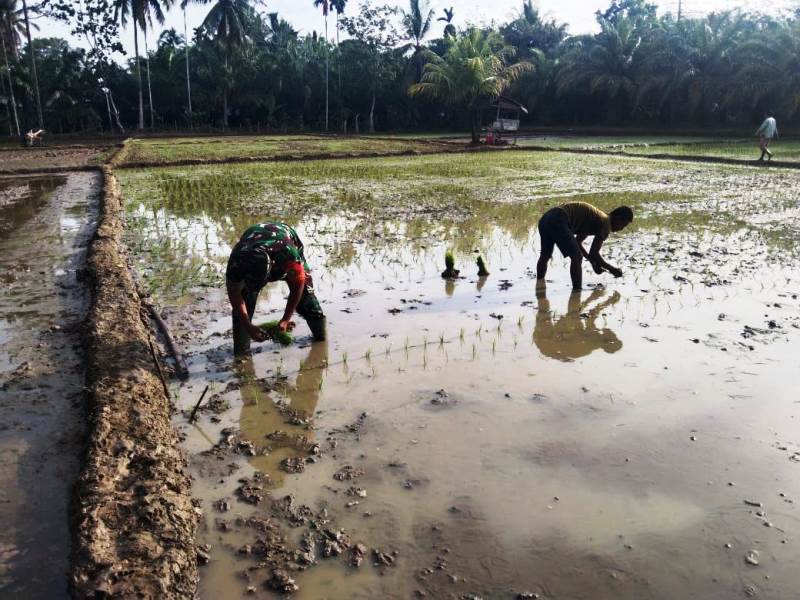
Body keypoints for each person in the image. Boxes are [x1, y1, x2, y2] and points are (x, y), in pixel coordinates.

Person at [226, 222, 326, 354]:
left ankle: (321, 339)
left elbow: (297, 287)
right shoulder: (236, 262)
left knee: (306, 298)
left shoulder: (289, 256)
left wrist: (286, 319)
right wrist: (248, 326)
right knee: (245, 302)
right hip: (253, 242)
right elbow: (234, 294)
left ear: (272, 267)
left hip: (284, 240)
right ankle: (241, 353)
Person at [536, 201, 633, 290]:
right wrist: (612, 269)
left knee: (545, 255)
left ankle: (539, 285)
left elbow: (578, 242)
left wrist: (593, 263)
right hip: (560, 218)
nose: (621, 229)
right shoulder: (606, 223)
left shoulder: (597, 218)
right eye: (623, 225)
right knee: (577, 257)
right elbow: (594, 253)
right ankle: (577, 292)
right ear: (618, 218)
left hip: (546, 218)